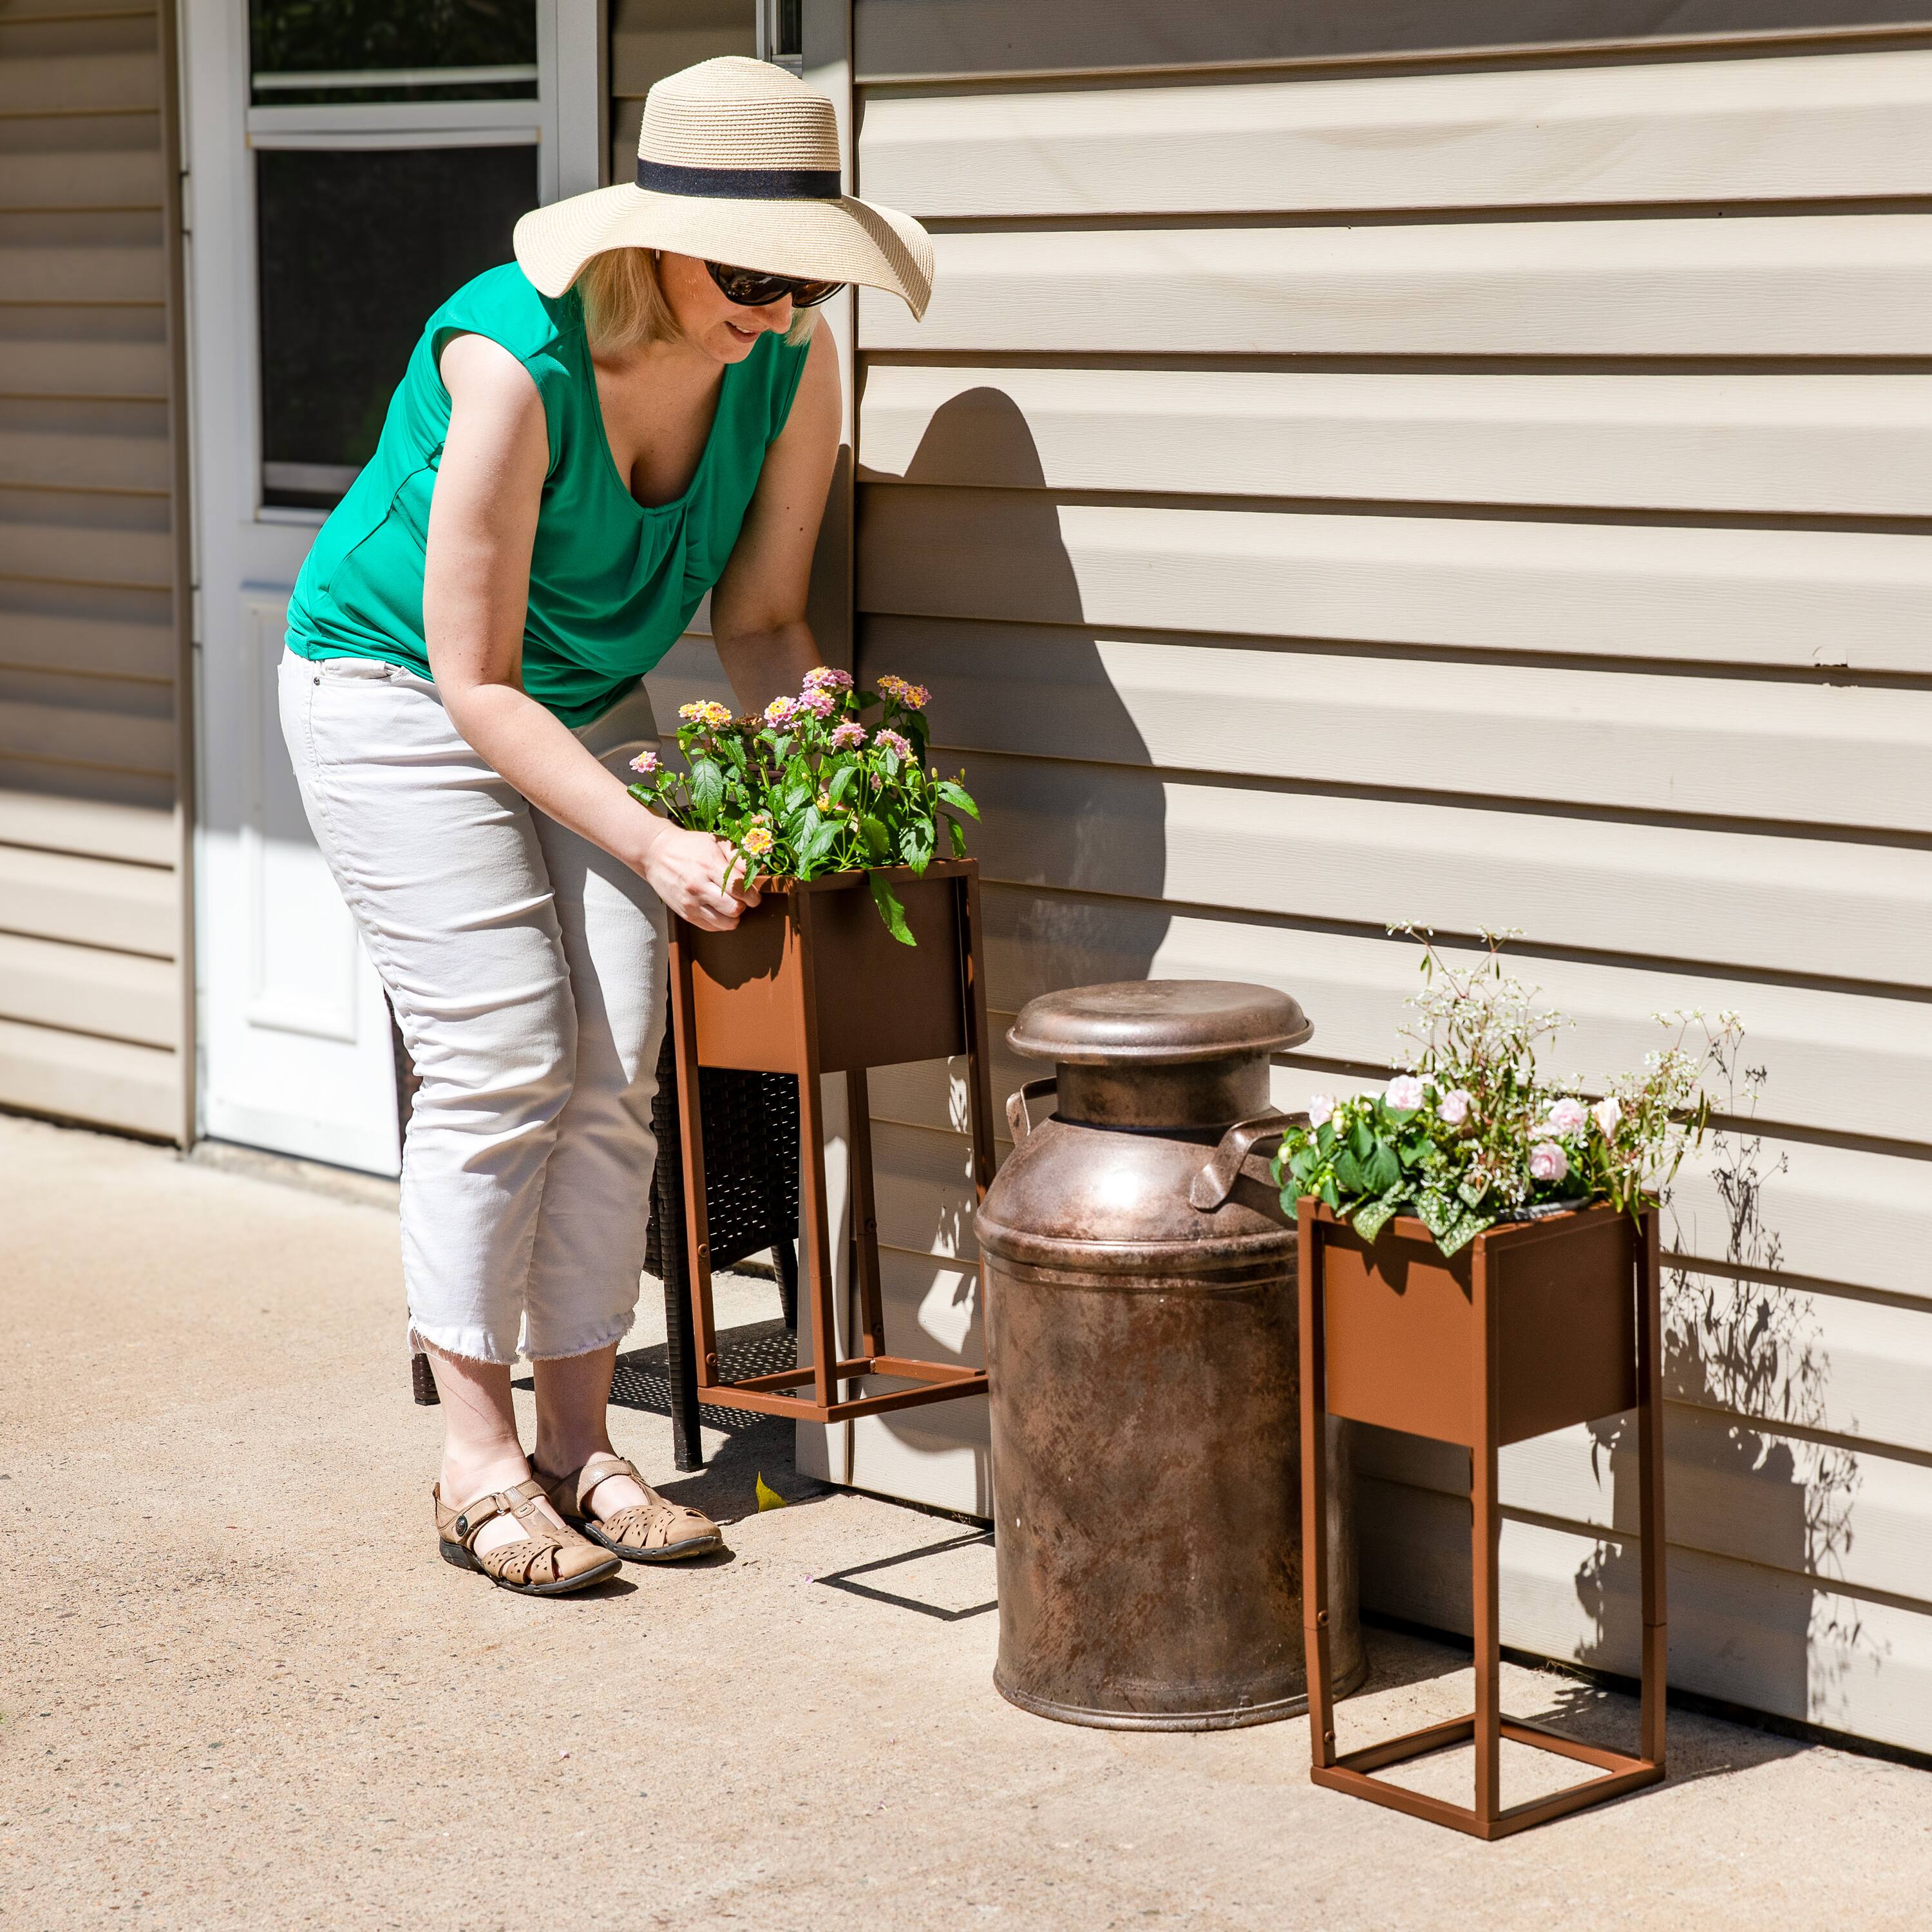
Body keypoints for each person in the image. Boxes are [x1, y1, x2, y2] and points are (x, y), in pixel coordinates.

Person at [278, 57, 933, 1595]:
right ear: (653, 244)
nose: (782, 309)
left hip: (576, 698)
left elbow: (761, 620)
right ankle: (477, 1463)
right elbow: (475, 681)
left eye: (808, 278)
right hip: (397, 689)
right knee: (504, 1051)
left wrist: (833, 780)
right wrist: (654, 842)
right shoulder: (515, 364)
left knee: (618, 1062)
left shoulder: (790, 362)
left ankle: (582, 1446)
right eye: (753, 276)